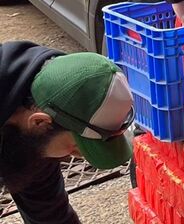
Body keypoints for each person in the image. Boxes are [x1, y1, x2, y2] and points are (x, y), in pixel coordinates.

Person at [1, 42, 135, 224]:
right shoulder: (39, 130)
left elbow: (50, 214)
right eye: (75, 147)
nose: (79, 158)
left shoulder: (33, 136)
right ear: (40, 122)